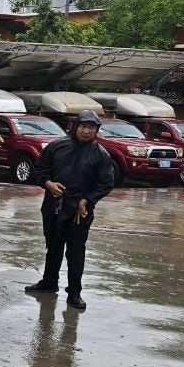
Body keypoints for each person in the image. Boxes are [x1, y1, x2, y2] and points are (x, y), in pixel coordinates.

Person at [25, 109, 114, 310]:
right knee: (53, 246)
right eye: (83, 126)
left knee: (76, 252)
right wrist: (48, 183)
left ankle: (74, 292)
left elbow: (106, 183)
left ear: (96, 130)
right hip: (54, 206)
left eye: (91, 128)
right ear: (75, 127)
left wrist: (87, 200)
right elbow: (40, 169)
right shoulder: (57, 147)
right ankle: (49, 282)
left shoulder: (101, 155)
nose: (86, 131)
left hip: (78, 212)